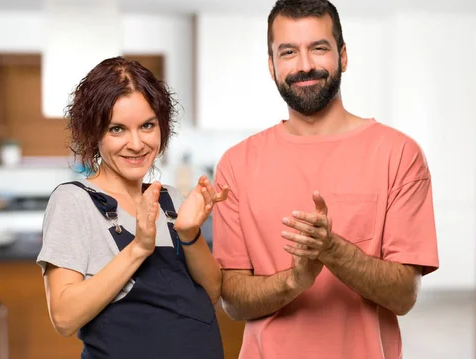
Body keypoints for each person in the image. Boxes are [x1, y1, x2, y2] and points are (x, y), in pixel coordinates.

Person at [212, 0, 440, 358]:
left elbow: (404, 295)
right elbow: (233, 303)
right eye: (288, 52)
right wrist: (294, 280)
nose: (304, 65)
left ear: (343, 56)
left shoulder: (399, 154)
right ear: (271, 65)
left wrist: (333, 250)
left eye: (318, 48)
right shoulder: (236, 164)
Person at [37, 56, 228, 359]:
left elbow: (213, 291)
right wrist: (138, 248)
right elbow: (63, 317)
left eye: (147, 126)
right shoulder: (74, 201)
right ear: (93, 132)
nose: (137, 143)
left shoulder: (170, 199)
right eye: (117, 129)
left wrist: (189, 234)